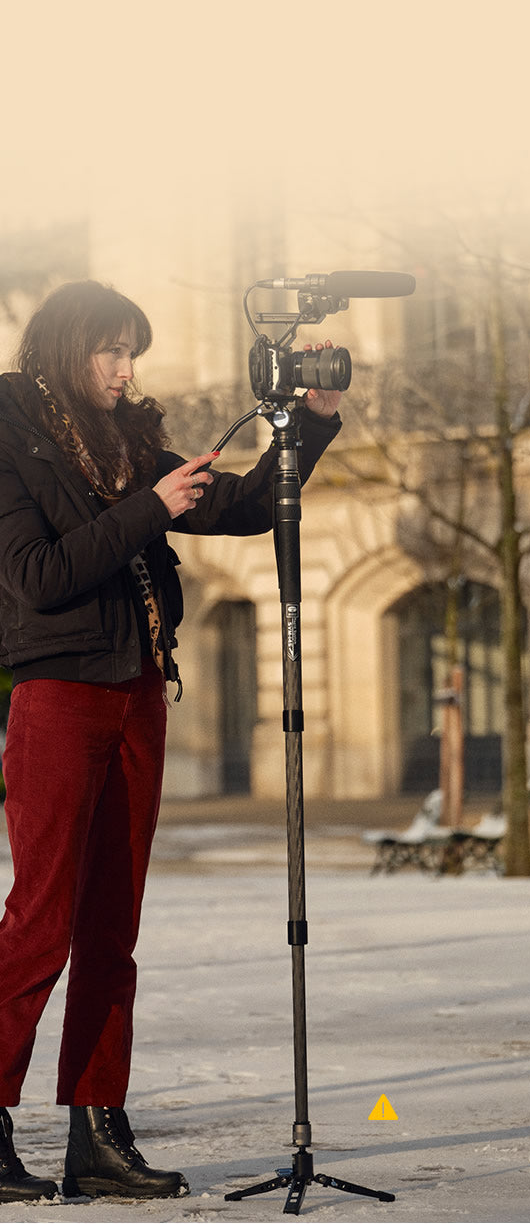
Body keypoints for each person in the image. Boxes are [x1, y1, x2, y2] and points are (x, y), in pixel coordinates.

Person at [0, 280, 342, 1202]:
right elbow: (38, 577)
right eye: (113, 351)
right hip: (58, 697)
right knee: (38, 926)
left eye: (134, 354)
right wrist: (150, 505)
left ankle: (97, 1136)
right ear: (69, 349)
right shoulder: (9, 429)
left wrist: (307, 428)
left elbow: (241, 508)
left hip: (140, 693)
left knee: (113, 931)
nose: (126, 370)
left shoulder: (122, 443)